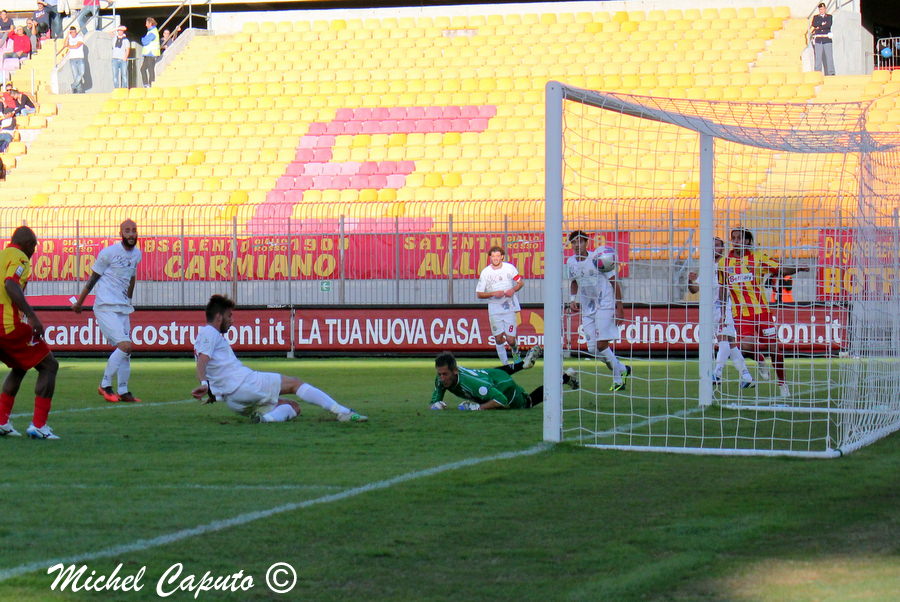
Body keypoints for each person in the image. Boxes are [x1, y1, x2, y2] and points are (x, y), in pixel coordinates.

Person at [191, 294, 368, 423]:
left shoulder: (204, 336)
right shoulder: (210, 332)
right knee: (295, 383)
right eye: (230, 316)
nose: (232, 320)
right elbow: (203, 361)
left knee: (293, 407)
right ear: (219, 316)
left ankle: (266, 419)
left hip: (234, 402)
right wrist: (205, 385)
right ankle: (343, 412)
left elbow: (208, 364)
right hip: (245, 384)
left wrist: (212, 390)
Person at [719, 228, 809, 398]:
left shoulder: (758, 258)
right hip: (740, 314)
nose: (736, 240)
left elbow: (780, 269)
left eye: (740, 238)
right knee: (743, 345)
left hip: (762, 312)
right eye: (734, 238)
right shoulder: (725, 262)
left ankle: (782, 383)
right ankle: (760, 359)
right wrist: (723, 312)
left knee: (774, 348)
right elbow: (723, 288)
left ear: (747, 241)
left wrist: (798, 269)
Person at [0, 226, 60, 439]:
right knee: (49, 365)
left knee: (20, 365)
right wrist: (32, 316)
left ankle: (2, 421)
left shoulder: (2, 255)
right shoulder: (20, 258)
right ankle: (38, 426)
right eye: (34, 245)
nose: (35, 250)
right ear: (27, 244)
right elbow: (10, 285)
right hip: (7, 325)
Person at [72, 219, 142, 403]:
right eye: (127, 231)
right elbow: (93, 279)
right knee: (125, 346)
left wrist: (129, 299)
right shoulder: (108, 253)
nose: (131, 234)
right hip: (105, 306)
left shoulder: (137, 254)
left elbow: (132, 277)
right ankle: (104, 385)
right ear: (121, 233)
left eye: (134, 230)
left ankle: (124, 390)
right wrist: (80, 303)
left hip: (122, 306)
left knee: (127, 351)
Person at [565, 230, 631, 391]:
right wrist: (573, 300)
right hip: (588, 307)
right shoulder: (571, 262)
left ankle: (618, 380)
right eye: (573, 242)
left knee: (602, 344)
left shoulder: (598, 259)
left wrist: (619, 308)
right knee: (593, 348)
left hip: (605, 303)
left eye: (580, 241)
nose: (576, 245)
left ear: (586, 243)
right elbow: (574, 281)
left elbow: (615, 282)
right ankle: (622, 369)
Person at [688, 237, 753, 388]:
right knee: (729, 343)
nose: (714, 248)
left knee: (723, 339)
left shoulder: (727, 264)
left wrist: (725, 309)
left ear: (722, 249)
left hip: (726, 306)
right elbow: (695, 290)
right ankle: (747, 376)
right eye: (711, 245)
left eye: (717, 245)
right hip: (711, 309)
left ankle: (717, 374)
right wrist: (690, 281)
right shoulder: (706, 266)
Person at [430, 350, 575, 411]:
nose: (442, 378)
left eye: (445, 374)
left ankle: (565, 377)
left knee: (528, 402)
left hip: (503, 385)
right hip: (491, 374)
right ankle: (522, 364)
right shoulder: (442, 379)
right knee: (490, 381)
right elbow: (434, 402)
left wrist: (478, 408)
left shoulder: (474, 386)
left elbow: (501, 400)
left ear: (454, 371)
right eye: (440, 374)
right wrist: (437, 404)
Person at [475, 246, 523, 366]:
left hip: (508, 307)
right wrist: (493, 293)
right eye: (493, 256)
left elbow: (520, 282)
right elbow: (479, 294)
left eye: (498, 256)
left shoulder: (509, 268)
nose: (495, 258)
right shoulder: (486, 272)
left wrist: (513, 290)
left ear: (502, 256)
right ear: (490, 257)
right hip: (494, 309)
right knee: (498, 338)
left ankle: (515, 353)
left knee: (511, 339)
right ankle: (505, 364)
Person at [810, 2, 835, 76]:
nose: (821, 11)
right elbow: (814, 24)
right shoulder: (816, 17)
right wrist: (822, 24)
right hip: (818, 39)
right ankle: (817, 73)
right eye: (820, 9)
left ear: (825, 9)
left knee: (829, 57)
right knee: (818, 57)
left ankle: (831, 73)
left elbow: (828, 25)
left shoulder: (829, 17)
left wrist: (819, 26)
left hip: (827, 39)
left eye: (823, 9)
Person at [65, 26, 86, 93]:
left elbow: (77, 46)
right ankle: (79, 91)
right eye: (72, 32)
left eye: (74, 32)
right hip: (72, 59)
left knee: (81, 73)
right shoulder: (69, 37)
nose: (73, 34)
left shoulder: (80, 37)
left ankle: (73, 86)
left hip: (80, 58)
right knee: (75, 75)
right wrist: (67, 35)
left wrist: (69, 46)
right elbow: (65, 44)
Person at [139, 17, 160, 88]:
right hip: (148, 54)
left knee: (150, 70)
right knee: (143, 69)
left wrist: (142, 38)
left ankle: (151, 85)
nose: (145, 25)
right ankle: (146, 85)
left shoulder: (153, 32)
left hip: (151, 54)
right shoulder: (151, 31)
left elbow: (144, 41)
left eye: (147, 23)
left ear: (150, 23)